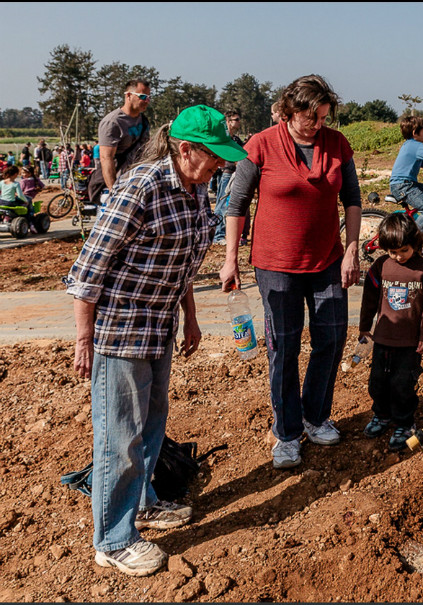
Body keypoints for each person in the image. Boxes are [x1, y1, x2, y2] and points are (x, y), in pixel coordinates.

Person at [65, 105, 246, 577]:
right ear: (185, 150)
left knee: (151, 426)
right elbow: (88, 270)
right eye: (213, 157)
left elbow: (182, 262)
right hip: (121, 331)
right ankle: (113, 539)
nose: (220, 166)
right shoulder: (140, 188)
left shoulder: (197, 190)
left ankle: (141, 504)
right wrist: (85, 339)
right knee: (119, 438)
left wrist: (190, 317)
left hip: (160, 326)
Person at [219, 74, 362, 469]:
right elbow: (237, 204)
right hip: (276, 264)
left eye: (323, 117)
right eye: (311, 117)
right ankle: (286, 431)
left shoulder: (337, 144)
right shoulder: (262, 144)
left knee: (330, 339)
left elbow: (352, 198)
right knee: (283, 347)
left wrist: (351, 249)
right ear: (289, 111)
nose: (318, 125)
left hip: (327, 259)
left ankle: (315, 417)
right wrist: (231, 257)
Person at [359, 213, 423, 451]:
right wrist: (365, 327)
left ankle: (404, 422)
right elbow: (369, 299)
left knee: (402, 383)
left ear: (415, 243)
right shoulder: (380, 266)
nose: (398, 256)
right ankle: (382, 415)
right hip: (383, 338)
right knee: (377, 381)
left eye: (403, 250)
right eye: (392, 251)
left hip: (410, 342)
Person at [89, 79, 152, 205]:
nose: (147, 101)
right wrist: (114, 191)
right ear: (128, 95)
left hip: (136, 183)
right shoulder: (112, 122)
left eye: (149, 97)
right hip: (116, 184)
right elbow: (106, 158)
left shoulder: (144, 121)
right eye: (143, 96)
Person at [211, 109, 245, 244]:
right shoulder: (223, 138)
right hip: (225, 174)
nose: (239, 122)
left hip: (233, 173)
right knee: (221, 204)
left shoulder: (235, 139)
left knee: (227, 204)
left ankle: (220, 234)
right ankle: (217, 236)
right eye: (236, 120)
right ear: (228, 122)